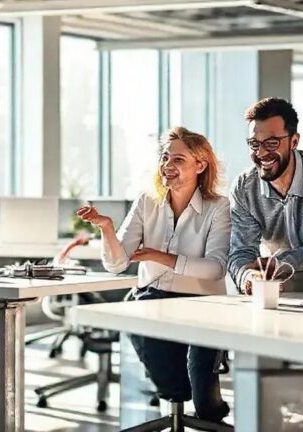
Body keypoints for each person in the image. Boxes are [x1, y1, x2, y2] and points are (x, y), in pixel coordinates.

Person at [77, 126, 231, 422]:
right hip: (154, 299)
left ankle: (201, 411)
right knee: (137, 314)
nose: (167, 166)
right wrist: (106, 229)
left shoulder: (218, 207)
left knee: (204, 401)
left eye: (178, 160)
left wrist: (159, 256)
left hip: (204, 305)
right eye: (165, 158)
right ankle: (174, 407)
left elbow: (215, 269)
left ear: (200, 165)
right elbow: (117, 263)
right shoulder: (147, 202)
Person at [228, 97, 303, 293]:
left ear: (294, 141)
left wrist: (277, 263)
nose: (260, 153)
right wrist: (247, 276)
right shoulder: (244, 188)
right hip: (277, 293)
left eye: (271, 143)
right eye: (254, 144)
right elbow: (241, 252)